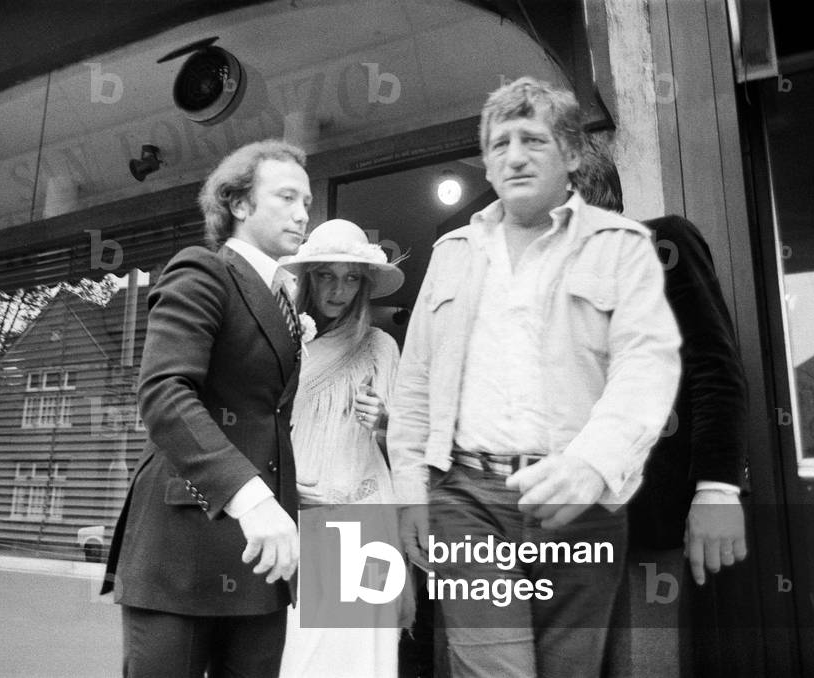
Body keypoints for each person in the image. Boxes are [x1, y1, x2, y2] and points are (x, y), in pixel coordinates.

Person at [388, 76, 682, 678]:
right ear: (488, 166)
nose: (514, 156)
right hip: (467, 497)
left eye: (533, 140)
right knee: (496, 670)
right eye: (499, 144)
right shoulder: (451, 254)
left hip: (579, 500)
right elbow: (415, 383)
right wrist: (411, 491)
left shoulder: (622, 247)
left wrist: (594, 462)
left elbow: (646, 365)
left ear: (572, 154)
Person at [101, 139, 311, 678]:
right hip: (185, 547)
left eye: (307, 200)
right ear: (239, 205)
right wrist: (254, 501)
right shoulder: (202, 269)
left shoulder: (285, 300)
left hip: (264, 560)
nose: (302, 211)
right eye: (286, 197)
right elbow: (164, 393)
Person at [572, 140, 749, 678]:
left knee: (646, 667)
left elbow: (715, 368)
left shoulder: (661, 243)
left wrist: (716, 489)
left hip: (649, 521)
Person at [275, 218, 408, 678]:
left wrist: (388, 424)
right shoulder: (282, 339)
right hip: (295, 512)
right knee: (298, 654)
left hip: (363, 514)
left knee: (357, 659)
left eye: (351, 277)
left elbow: (410, 448)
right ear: (309, 278)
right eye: (327, 275)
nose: (339, 289)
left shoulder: (380, 346)